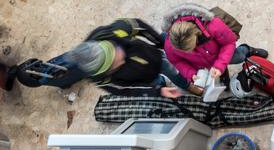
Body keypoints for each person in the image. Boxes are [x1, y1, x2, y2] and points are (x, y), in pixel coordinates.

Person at [65, 18, 195, 98]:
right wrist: (158, 91)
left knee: (172, 71)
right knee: (158, 82)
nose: (122, 57)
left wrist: (160, 43)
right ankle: (161, 83)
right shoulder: (102, 80)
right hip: (146, 80)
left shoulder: (111, 32)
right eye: (115, 65)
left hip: (155, 57)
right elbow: (126, 90)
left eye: (115, 49)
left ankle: (186, 85)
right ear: (105, 72)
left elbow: (139, 26)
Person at [162, 4, 268, 86]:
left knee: (239, 56)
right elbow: (177, 61)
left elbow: (228, 43)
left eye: (191, 47)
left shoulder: (214, 25)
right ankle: (222, 73)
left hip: (222, 52)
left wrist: (219, 65)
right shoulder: (170, 45)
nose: (190, 52)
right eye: (185, 52)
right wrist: (191, 74)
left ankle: (248, 50)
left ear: (196, 33)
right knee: (220, 67)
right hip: (205, 64)